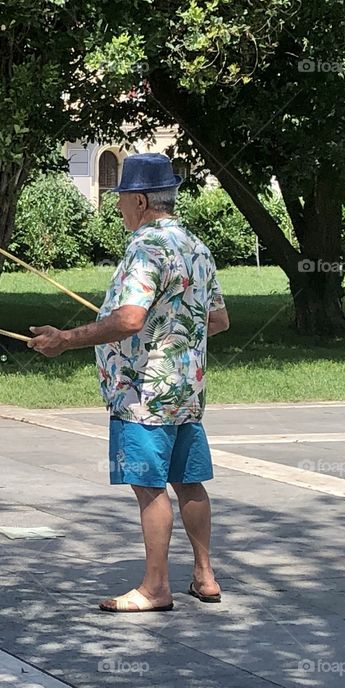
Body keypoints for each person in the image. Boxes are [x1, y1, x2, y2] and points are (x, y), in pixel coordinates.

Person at [28, 153, 230, 613]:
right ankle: (205, 575)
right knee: (190, 482)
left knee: (150, 486)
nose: (118, 208)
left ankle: (156, 588)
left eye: (121, 199)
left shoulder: (145, 248)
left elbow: (130, 319)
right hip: (186, 388)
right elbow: (217, 319)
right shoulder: (195, 246)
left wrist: (66, 339)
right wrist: (174, 328)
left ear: (140, 200)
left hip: (143, 393)